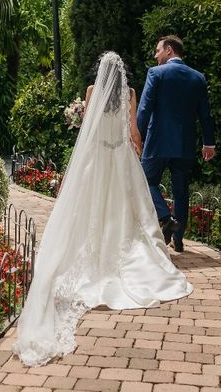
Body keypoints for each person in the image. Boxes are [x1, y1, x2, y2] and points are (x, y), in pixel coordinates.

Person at [12, 51, 193, 367]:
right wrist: (136, 149)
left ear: (101, 71)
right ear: (121, 74)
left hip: (97, 160)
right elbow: (135, 133)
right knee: (127, 213)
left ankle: (94, 256)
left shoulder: (92, 92)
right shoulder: (131, 93)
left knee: (93, 211)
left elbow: (87, 129)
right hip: (121, 158)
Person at [137, 35, 216, 253]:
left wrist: (137, 136)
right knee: (181, 191)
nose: (155, 55)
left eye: (158, 50)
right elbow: (205, 115)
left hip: (157, 141)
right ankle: (178, 240)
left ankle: (165, 217)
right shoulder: (198, 77)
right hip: (184, 143)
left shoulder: (156, 73)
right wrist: (208, 143)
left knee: (144, 180)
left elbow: (144, 109)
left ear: (169, 50)